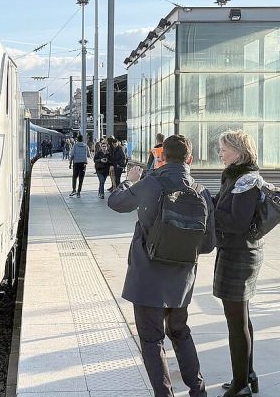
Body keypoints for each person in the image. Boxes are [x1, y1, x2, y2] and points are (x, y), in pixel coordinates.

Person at [108, 135, 215, 397]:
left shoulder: (151, 183)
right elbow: (209, 244)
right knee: (180, 332)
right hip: (181, 280)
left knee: (152, 340)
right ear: (190, 159)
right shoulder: (202, 191)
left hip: (148, 277)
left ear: (162, 157)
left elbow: (116, 202)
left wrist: (129, 181)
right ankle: (197, 390)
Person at [214, 130, 263, 397]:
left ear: (237, 151)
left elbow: (237, 222)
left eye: (223, 149)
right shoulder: (236, 177)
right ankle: (247, 375)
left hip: (240, 254)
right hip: (236, 251)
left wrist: (212, 211)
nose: (220, 153)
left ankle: (240, 385)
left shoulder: (246, 181)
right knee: (241, 317)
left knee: (236, 322)